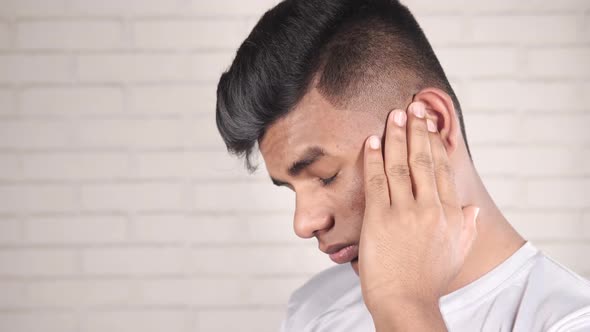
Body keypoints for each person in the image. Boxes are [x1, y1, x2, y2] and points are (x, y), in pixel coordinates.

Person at [215, 0, 590, 330]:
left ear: (431, 122)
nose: (304, 223)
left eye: (326, 176)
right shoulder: (312, 310)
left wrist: (403, 305)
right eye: (292, 188)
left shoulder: (569, 320)